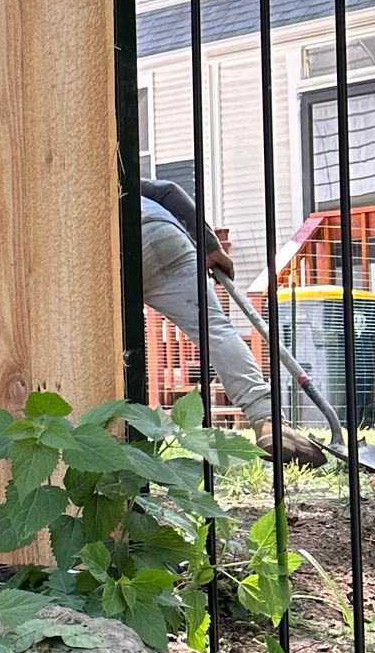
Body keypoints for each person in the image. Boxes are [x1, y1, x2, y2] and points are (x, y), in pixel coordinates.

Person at [139, 181, 326, 465]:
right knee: (216, 330)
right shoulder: (113, 168)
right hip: (163, 232)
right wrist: (210, 244)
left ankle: (122, 434)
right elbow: (167, 191)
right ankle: (267, 419)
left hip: (112, 248)